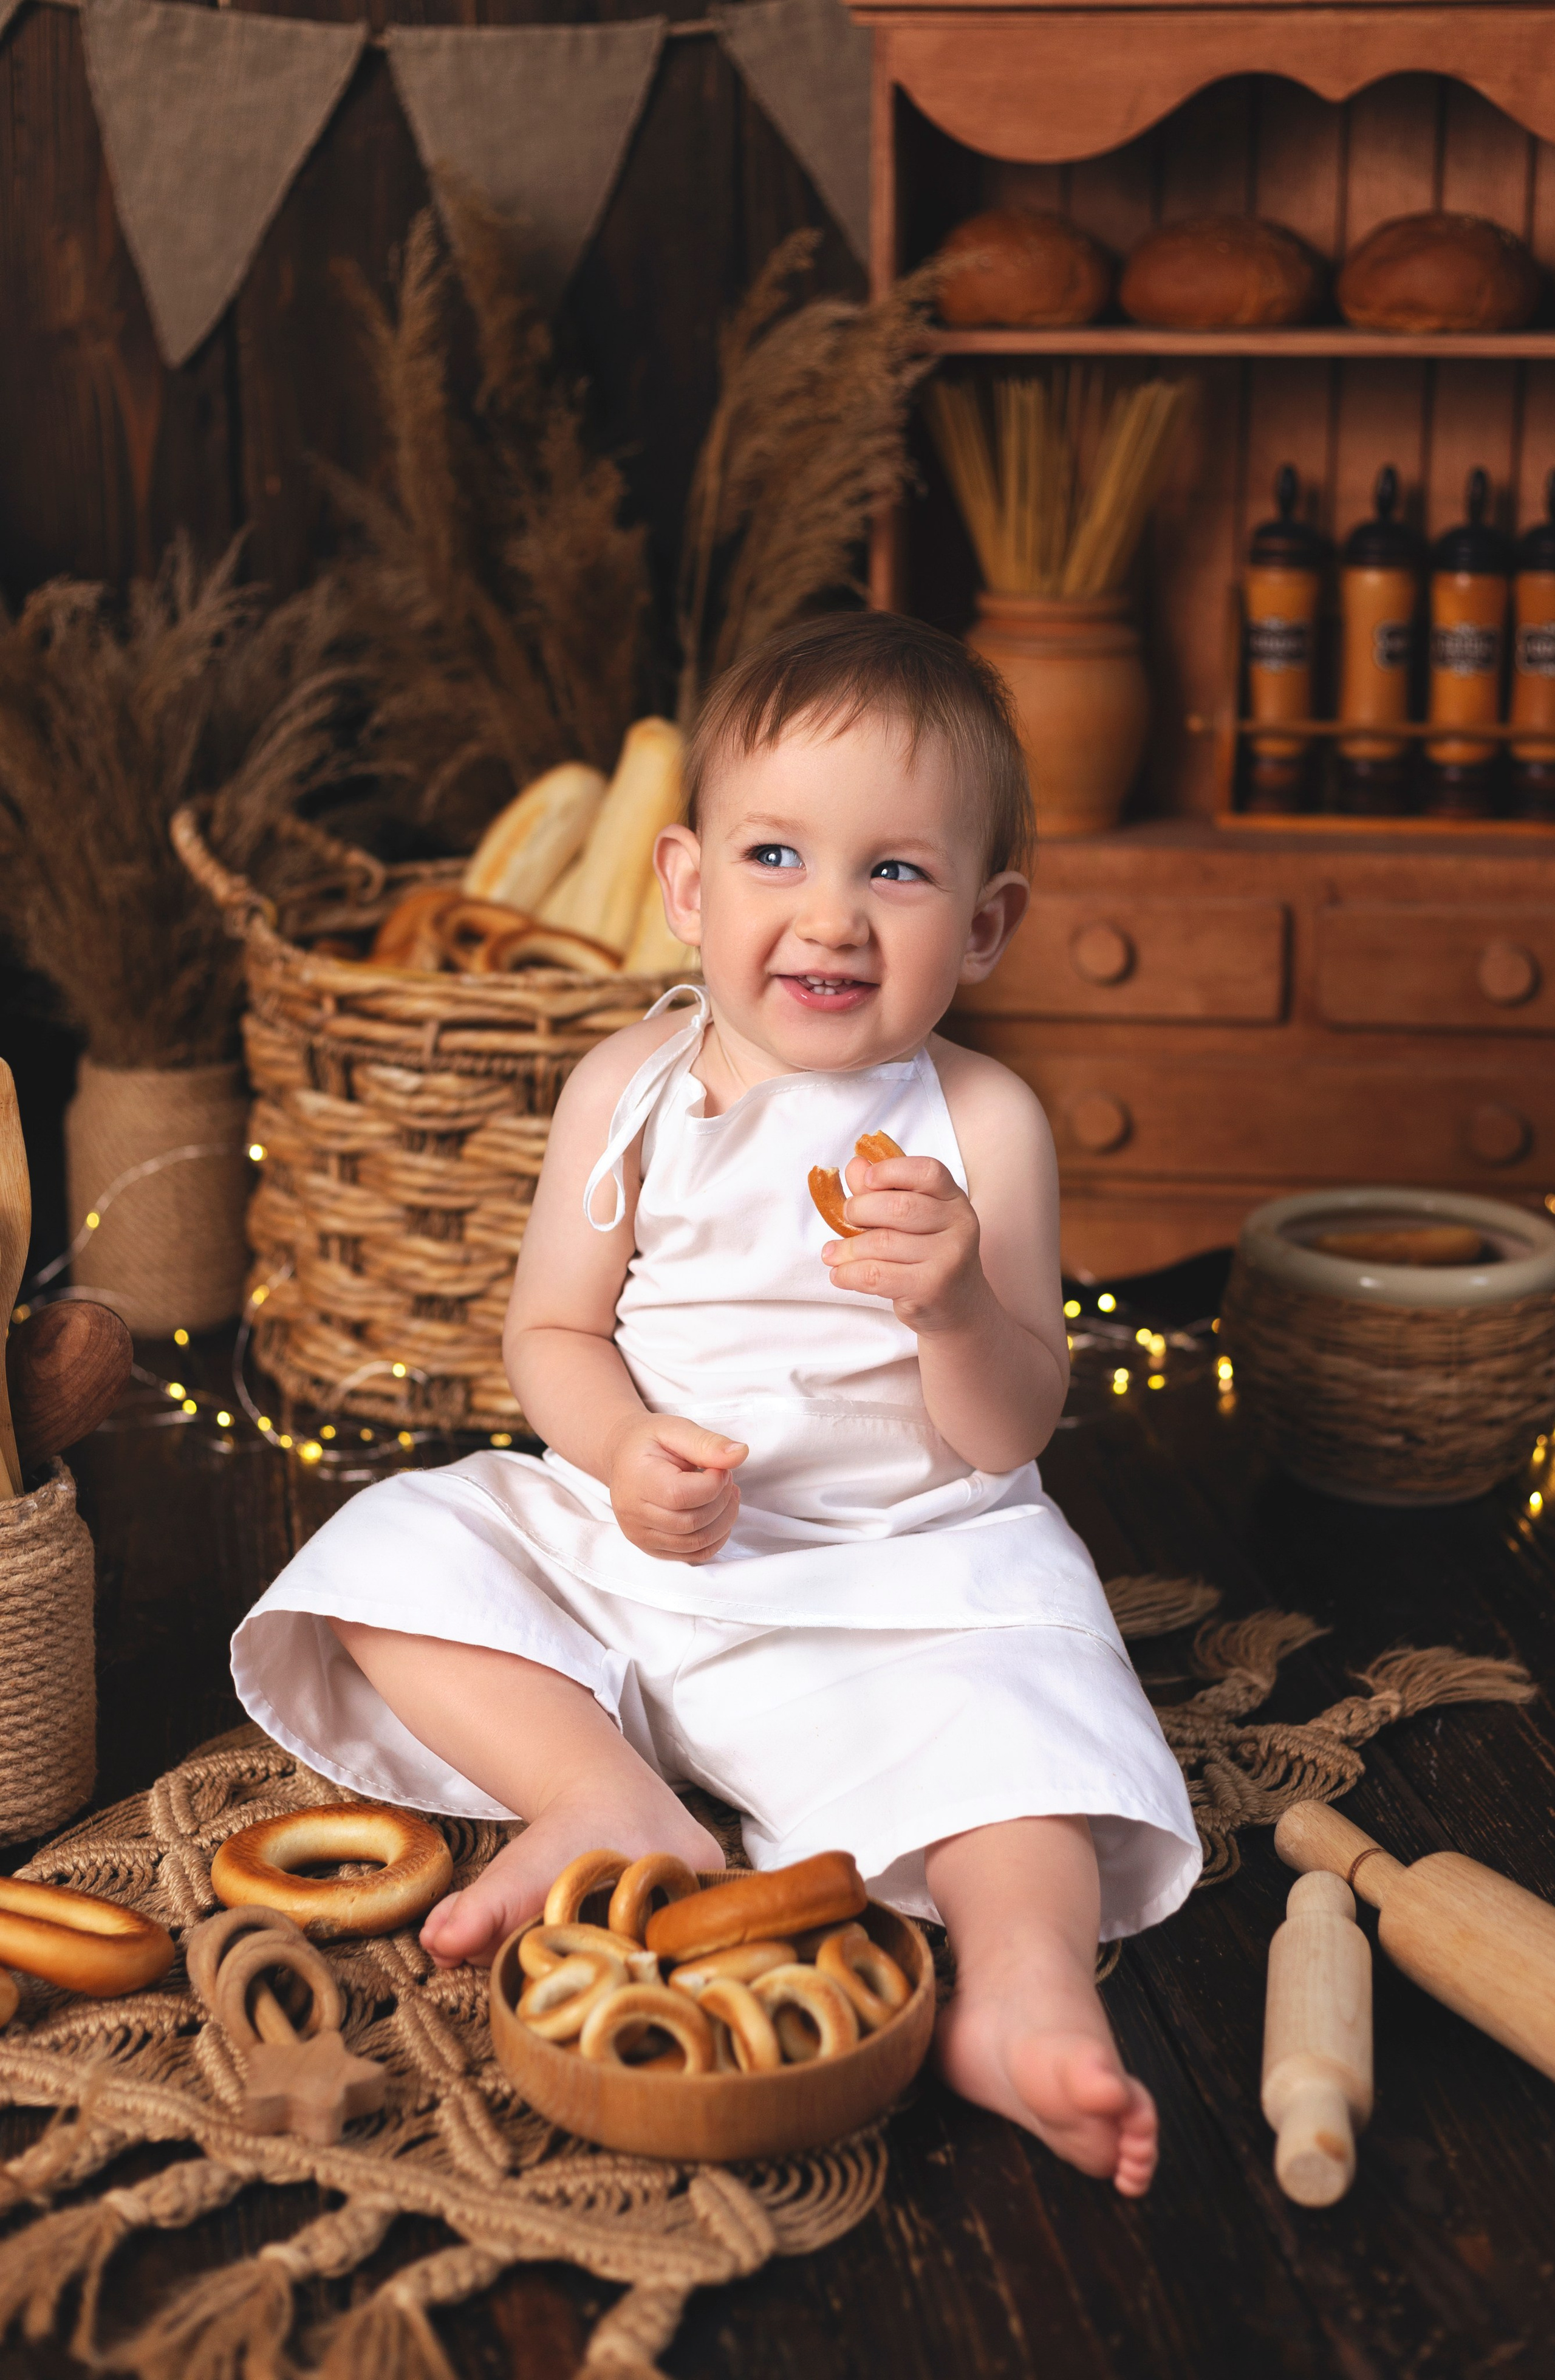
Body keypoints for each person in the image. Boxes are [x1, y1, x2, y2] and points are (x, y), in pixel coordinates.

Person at [233, 610, 1199, 2194]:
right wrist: (617, 1451)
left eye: (895, 871)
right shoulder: (629, 1088)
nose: (829, 916)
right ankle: (607, 1796)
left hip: (906, 1577)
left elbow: (1013, 1425)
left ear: (985, 922)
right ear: (688, 887)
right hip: (648, 1549)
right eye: (776, 857)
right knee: (392, 1554)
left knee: (1037, 1744)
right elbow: (549, 1332)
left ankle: (1025, 1996)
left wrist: (957, 1301)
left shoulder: (983, 1124)